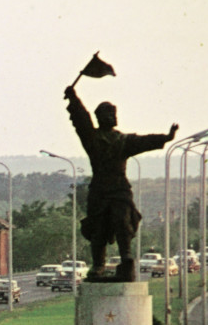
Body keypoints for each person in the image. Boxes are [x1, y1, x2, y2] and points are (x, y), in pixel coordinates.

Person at [64, 84, 177, 281]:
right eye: (109, 113)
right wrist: (73, 99)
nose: (113, 117)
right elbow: (81, 119)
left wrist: (165, 138)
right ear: (101, 117)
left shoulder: (122, 140)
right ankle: (98, 265)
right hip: (100, 189)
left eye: (114, 113)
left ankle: (126, 260)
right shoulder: (93, 138)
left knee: (123, 223)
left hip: (119, 189)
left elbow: (144, 141)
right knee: (98, 228)